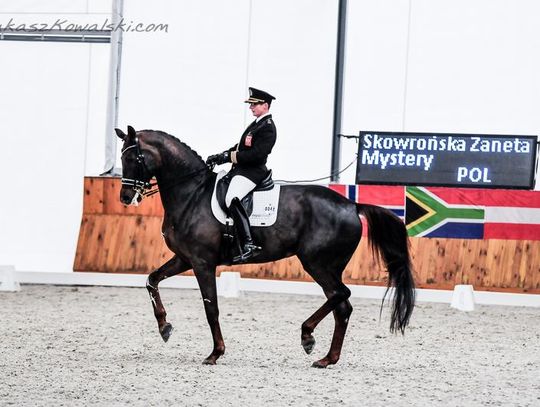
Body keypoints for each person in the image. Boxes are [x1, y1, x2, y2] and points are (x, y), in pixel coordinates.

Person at [206, 87, 277, 262]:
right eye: (251, 105)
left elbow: (256, 155)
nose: (251, 108)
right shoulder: (256, 124)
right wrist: (221, 156)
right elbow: (241, 149)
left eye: (254, 105)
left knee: (232, 197)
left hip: (253, 172)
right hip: (242, 170)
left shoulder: (268, 128)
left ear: (265, 106)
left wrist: (229, 157)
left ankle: (248, 243)